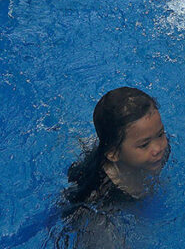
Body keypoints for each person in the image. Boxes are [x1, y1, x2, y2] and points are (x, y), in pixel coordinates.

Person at [61, 88, 170, 243]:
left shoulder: (158, 151)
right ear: (114, 154)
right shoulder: (102, 202)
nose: (158, 148)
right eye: (144, 145)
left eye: (160, 134)